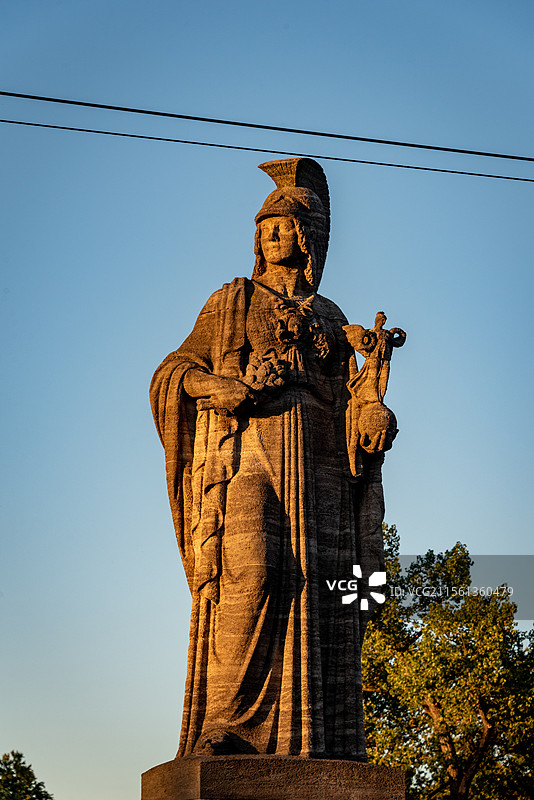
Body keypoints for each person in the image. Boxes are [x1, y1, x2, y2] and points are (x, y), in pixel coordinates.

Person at [150, 158, 397, 761]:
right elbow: (172, 371)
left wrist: (371, 410)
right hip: (247, 453)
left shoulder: (334, 318)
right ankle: (227, 726)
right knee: (251, 574)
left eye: (285, 225)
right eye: (265, 225)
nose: (272, 234)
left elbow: (353, 399)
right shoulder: (230, 301)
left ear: (309, 239)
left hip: (322, 462)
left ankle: (332, 739)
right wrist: (216, 388)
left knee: (328, 587)